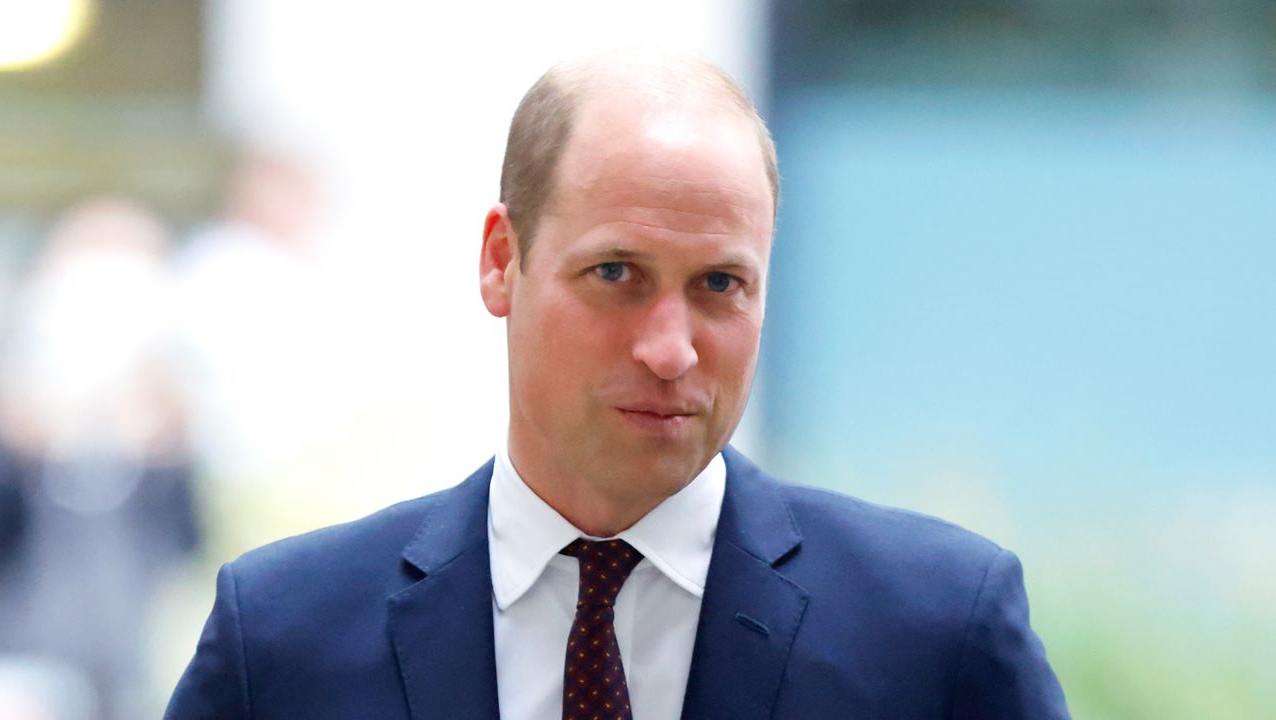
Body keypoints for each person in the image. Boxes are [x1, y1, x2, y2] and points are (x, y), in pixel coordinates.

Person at [165, 51, 1070, 720]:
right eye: (616, 274)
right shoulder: (283, 640)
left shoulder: (937, 632)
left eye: (720, 284)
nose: (670, 349)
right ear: (499, 262)